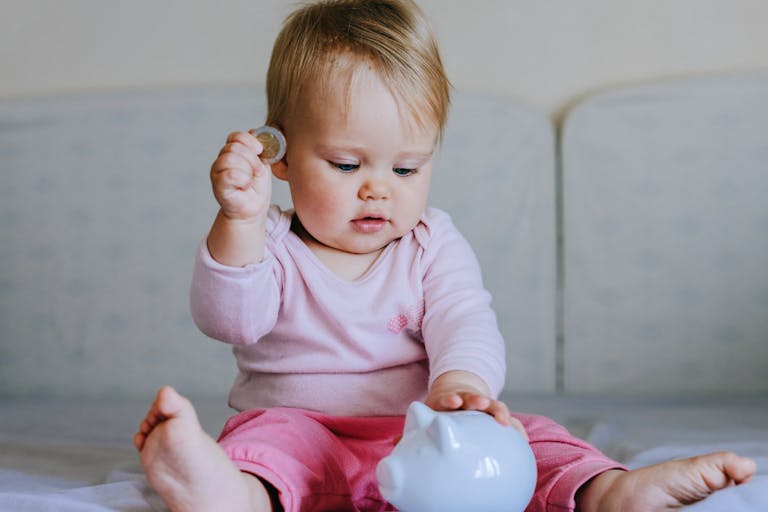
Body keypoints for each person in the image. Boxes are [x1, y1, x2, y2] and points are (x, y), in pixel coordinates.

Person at [134, 1, 756, 511]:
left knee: (531, 438)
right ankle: (229, 493)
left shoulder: (431, 241)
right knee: (272, 447)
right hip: (301, 424)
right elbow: (230, 322)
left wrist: (462, 386)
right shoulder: (264, 240)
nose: (378, 187)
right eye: (347, 164)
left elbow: (465, 318)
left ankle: (609, 490)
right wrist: (237, 219)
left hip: (427, 429)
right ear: (279, 155)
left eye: (407, 166)